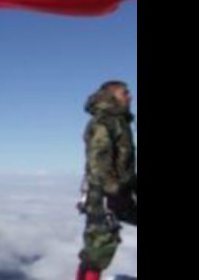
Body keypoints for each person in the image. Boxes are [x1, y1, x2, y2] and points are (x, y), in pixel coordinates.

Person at [75, 80, 137, 280]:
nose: (130, 97)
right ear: (112, 96)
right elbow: (99, 161)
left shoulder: (118, 121)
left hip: (120, 190)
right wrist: (113, 190)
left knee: (99, 248)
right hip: (105, 195)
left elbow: (121, 164)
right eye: (125, 93)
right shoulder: (104, 123)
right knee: (98, 250)